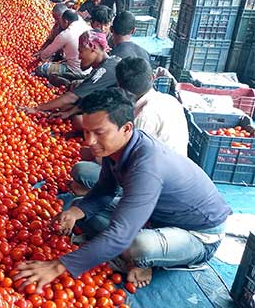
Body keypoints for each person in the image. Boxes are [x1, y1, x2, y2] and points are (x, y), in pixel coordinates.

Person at [16, 88, 231, 290]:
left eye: (99, 132)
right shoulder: (116, 149)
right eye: (87, 131)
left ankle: (144, 259)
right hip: (155, 215)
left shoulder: (146, 166)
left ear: (127, 128)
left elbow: (120, 235)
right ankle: (132, 247)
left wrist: (57, 266)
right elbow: (104, 190)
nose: (90, 141)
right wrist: (74, 213)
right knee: (80, 208)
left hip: (200, 233)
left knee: (136, 246)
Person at [69, 57, 190, 195]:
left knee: (81, 171)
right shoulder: (169, 100)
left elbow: (130, 162)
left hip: (154, 182)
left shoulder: (144, 116)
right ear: (152, 78)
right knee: (81, 186)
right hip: (176, 170)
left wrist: (93, 155)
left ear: (119, 85)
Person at [26, 30, 119, 116]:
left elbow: (71, 97)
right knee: (67, 106)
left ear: (93, 48)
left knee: (77, 120)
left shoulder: (104, 71)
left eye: (81, 51)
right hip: (108, 104)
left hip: (116, 114)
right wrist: (69, 113)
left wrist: (37, 109)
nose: (79, 57)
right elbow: (91, 96)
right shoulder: (110, 62)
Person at [34, 10, 91, 84]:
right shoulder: (85, 25)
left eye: (60, 21)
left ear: (66, 21)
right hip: (89, 69)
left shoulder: (66, 34)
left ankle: (66, 80)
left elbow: (46, 54)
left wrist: (41, 57)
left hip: (75, 70)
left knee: (41, 69)